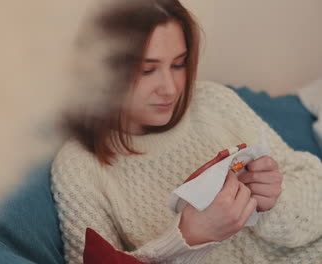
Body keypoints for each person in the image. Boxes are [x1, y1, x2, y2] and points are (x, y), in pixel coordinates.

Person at [51, 0, 322, 263]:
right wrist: (189, 238)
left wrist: (274, 203)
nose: (170, 88)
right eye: (147, 70)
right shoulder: (80, 167)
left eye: (178, 64)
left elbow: (315, 192)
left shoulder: (214, 102)